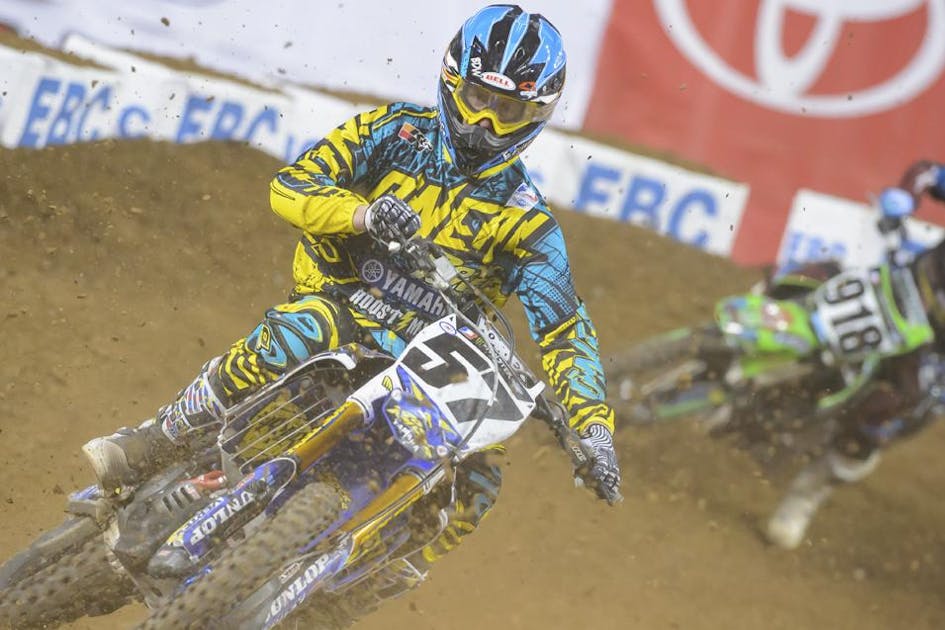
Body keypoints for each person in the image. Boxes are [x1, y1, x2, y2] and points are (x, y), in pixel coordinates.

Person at [82, 3, 620, 580]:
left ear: (536, 115)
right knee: (301, 331)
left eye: (506, 110)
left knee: (477, 486)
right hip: (342, 299)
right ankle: (158, 438)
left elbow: (565, 329)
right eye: (477, 98)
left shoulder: (528, 224)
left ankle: (357, 590)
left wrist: (594, 428)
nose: (483, 122)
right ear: (452, 81)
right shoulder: (394, 132)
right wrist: (361, 214)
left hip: (427, 364)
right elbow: (291, 185)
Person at [766, 160, 945, 549]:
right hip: (906, 286)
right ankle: (740, 331)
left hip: (935, 349)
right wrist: (905, 197)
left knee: (894, 408)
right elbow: (931, 174)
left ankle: (806, 494)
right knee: (819, 275)